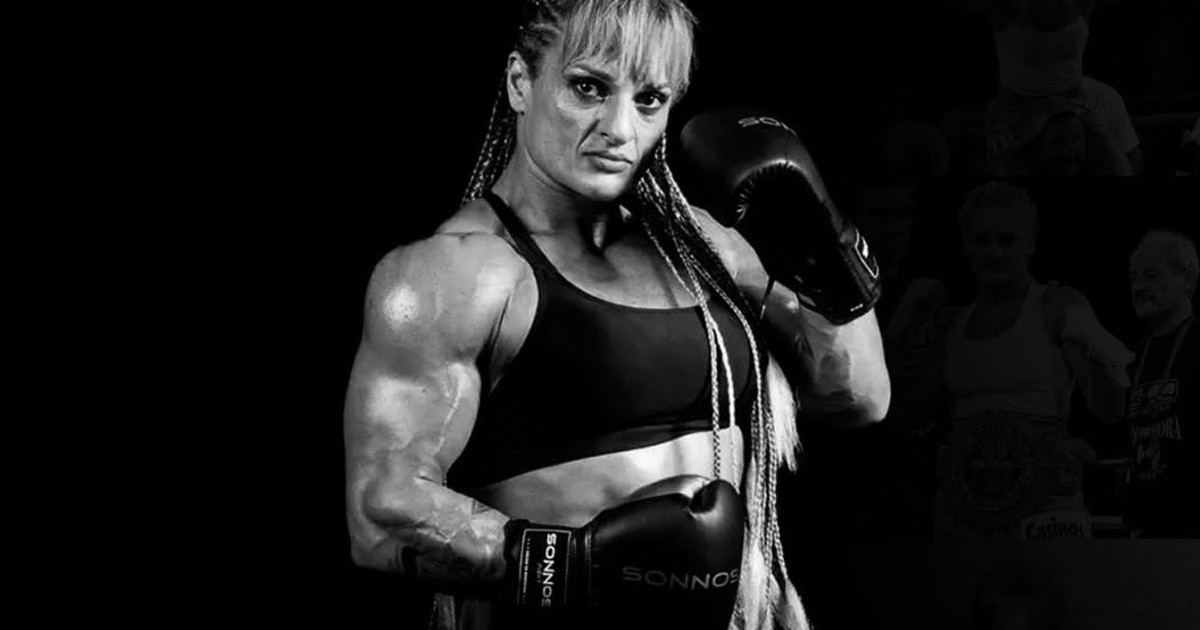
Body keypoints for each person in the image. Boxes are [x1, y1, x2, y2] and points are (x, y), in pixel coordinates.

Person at [342, 2, 890, 629]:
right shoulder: (458, 274)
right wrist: (582, 563)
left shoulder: (705, 248)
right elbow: (380, 515)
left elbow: (859, 398)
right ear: (520, 82)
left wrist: (823, 245)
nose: (620, 128)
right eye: (588, 88)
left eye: (649, 99)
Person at [930, 181, 1133, 539]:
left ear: (1031, 243)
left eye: (1007, 240)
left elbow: (1111, 410)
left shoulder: (1056, 307)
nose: (995, 252)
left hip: (1046, 514)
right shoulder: (949, 326)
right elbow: (911, 417)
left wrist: (1098, 351)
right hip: (964, 515)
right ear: (965, 245)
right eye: (982, 240)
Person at [939, 0, 1141, 175]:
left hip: (1074, 100)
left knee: (1121, 171)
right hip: (1016, 107)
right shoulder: (1008, 5)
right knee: (1007, 190)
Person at [1123, 229, 1198, 538]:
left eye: (1151, 275)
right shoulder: (1138, 355)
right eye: (1133, 278)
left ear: (1187, 279)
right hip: (1146, 532)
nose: (1139, 287)